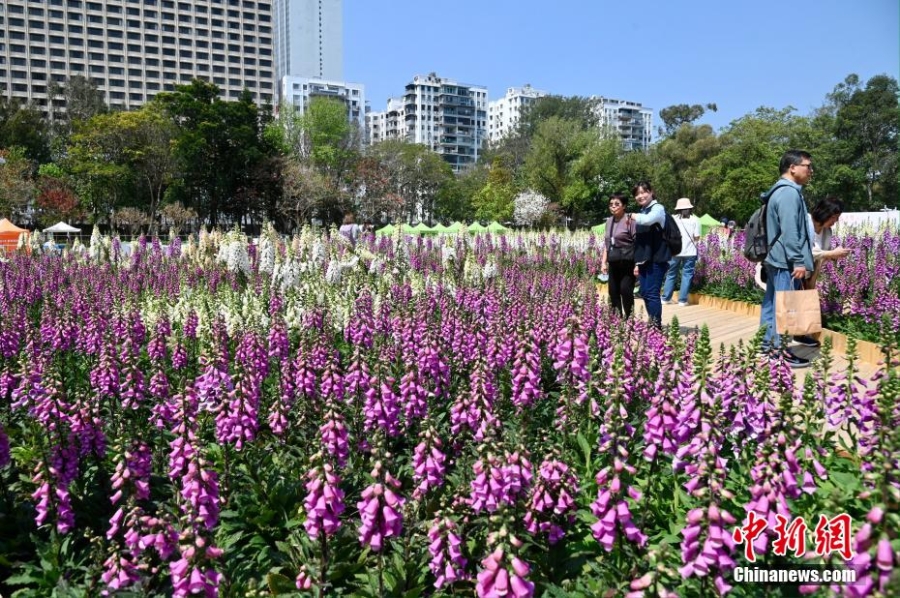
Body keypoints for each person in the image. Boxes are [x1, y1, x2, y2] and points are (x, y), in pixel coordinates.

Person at [758, 149, 816, 368]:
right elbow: (791, 230)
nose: (810, 171)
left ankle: (767, 346)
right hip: (785, 260)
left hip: (776, 257)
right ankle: (778, 352)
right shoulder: (789, 193)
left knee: (772, 304)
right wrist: (798, 260)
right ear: (793, 167)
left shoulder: (778, 191)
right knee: (785, 307)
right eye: (807, 166)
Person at [791, 196, 852, 347]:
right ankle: (777, 344)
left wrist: (831, 257)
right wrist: (830, 254)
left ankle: (800, 335)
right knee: (787, 305)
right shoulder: (804, 222)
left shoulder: (826, 232)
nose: (835, 221)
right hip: (793, 270)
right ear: (825, 213)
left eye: (837, 218)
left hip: (809, 272)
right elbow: (802, 250)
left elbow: (820, 256)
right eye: (833, 217)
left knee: (804, 301)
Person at [631, 181, 671, 329]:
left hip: (656, 259)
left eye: (643, 192)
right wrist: (637, 263)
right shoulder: (643, 211)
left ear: (651, 192)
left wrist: (631, 216)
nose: (640, 196)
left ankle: (656, 326)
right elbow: (640, 240)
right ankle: (652, 322)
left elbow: (648, 221)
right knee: (645, 292)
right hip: (644, 260)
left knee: (652, 293)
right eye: (637, 194)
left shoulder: (657, 209)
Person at [600, 193, 637, 318]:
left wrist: (638, 264)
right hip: (614, 261)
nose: (613, 207)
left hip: (628, 262)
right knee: (613, 292)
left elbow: (637, 243)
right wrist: (603, 262)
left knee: (626, 290)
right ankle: (616, 319)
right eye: (611, 204)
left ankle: (629, 318)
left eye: (617, 204)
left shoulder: (630, 220)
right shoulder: (609, 221)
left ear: (624, 206)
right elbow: (607, 244)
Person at [662, 197, 700, 306]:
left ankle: (665, 298)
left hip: (675, 251)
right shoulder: (695, 220)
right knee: (686, 275)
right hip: (690, 252)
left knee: (671, 274)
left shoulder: (674, 219)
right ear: (689, 209)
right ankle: (682, 300)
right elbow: (696, 237)